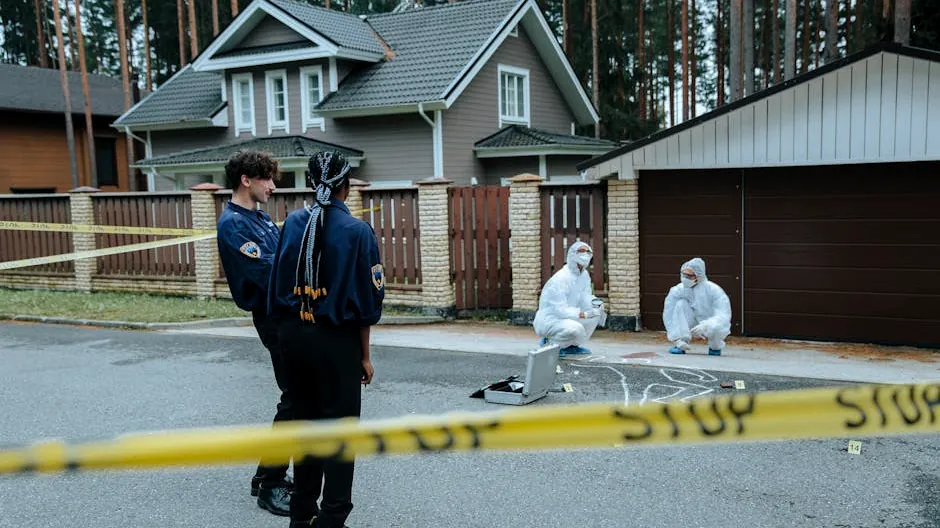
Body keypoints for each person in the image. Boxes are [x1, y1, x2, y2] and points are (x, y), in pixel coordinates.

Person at [267, 150, 384, 528]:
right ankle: (333, 518)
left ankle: (301, 515)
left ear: (313, 183)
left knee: (305, 426)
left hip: (293, 337)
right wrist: (365, 356)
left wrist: (286, 340)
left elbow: (275, 287)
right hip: (337, 341)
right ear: (346, 187)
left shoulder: (292, 223)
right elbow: (367, 303)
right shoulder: (357, 231)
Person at [216, 150, 294, 516]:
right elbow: (269, 273)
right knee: (296, 397)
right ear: (246, 180)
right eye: (267, 179)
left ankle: (265, 475)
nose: (273, 186)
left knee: (297, 395)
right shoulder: (234, 225)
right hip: (273, 318)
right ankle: (271, 484)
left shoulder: (258, 219)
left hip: (285, 315)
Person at [532, 241, 606, 357]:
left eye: (588, 252)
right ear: (572, 254)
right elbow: (559, 309)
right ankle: (551, 343)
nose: (585, 254)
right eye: (581, 251)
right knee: (575, 329)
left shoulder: (584, 275)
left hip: (569, 315)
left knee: (596, 309)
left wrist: (596, 305)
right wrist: (583, 314)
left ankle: (572, 345)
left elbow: (585, 297)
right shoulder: (560, 278)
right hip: (551, 319)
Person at [662, 257, 732, 356]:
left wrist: (707, 325)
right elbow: (669, 313)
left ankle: (715, 347)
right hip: (692, 319)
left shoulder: (714, 290)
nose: (685, 278)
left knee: (716, 327)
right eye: (684, 275)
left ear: (699, 276)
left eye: (690, 276)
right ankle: (682, 342)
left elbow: (723, 315)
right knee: (680, 304)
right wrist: (676, 338)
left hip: (710, 320)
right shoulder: (677, 290)